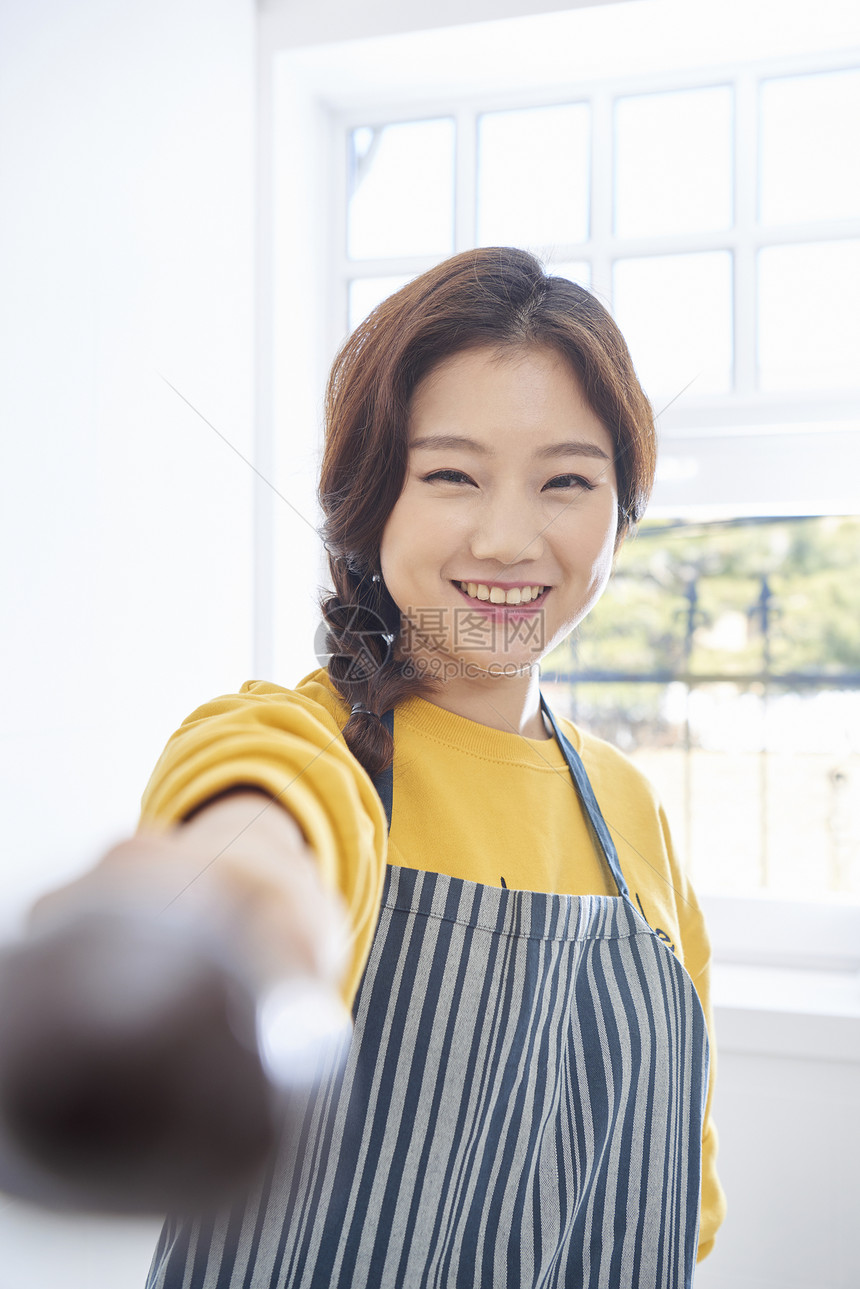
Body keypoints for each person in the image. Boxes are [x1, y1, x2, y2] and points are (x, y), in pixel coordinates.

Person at [5, 247, 727, 1286]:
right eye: (450, 474)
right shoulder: (295, 743)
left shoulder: (632, 807)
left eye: (565, 479)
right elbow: (252, 844)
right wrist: (191, 931)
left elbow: (679, 1204)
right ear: (368, 500)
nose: (508, 535)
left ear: (620, 508)